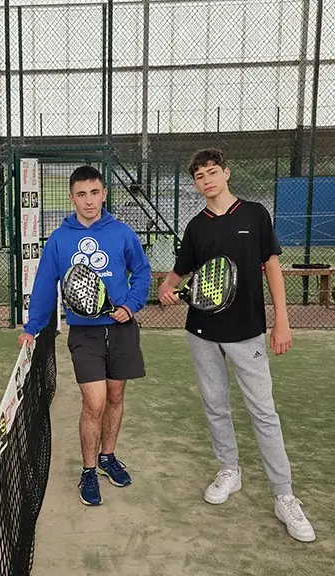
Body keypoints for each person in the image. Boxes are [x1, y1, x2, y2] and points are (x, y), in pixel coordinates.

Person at [158, 148, 315, 543]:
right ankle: (230, 470)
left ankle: (285, 496)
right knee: (215, 405)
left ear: (226, 173)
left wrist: (282, 319)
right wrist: (166, 288)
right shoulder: (196, 227)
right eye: (199, 176)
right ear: (195, 184)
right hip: (202, 334)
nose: (207, 180)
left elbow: (272, 267)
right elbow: (180, 273)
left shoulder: (255, 214)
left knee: (264, 411)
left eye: (213, 172)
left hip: (248, 332)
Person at [18, 165, 151, 506]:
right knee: (95, 402)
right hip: (84, 335)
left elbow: (142, 271)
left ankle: (108, 457)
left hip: (122, 329)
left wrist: (131, 305)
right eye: (81, 194)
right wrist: (32, 327)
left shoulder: (122, 233)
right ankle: (89, 470)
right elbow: (46, 286)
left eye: (94, 192)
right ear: (71, 197)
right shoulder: (60, 240)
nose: (89, 200)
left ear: (104, 193)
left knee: (116, 398)